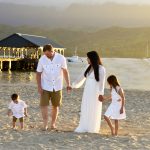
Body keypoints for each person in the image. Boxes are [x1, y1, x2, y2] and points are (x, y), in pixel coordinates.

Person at [36, 44, 71, 131]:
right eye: (45, 54)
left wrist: (68, 84)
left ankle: (53, 124)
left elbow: (65, 71)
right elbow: (38, 73)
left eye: (48, 54)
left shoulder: (61, 58)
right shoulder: (42, 59)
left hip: (57, 86)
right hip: (45, 86)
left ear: (52, 51)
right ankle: (45, 124)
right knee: (44, 105)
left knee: (56, 106)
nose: (46, 56)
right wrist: (39, 86)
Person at [72, 51, 106, 133]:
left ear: (92, 58)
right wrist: (73, 85)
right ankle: (84, 126)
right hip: (87, 91)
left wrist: (101, 94)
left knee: (93, 108)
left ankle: (92, 127)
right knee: (86, 107)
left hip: (95, 92)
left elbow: (102, 83)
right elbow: (81, 77)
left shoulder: (101, 69)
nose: (87, 59)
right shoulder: (88, 66)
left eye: (88, 58)